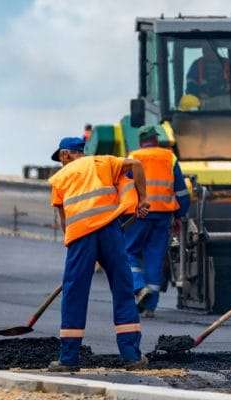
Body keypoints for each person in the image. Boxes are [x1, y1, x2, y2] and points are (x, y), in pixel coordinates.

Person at [46, 136, 151, 372]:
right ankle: (132, 356)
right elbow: (136, 165)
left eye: (60, 158)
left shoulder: (60, 178)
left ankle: (68, 359)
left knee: (74, 293)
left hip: (80, 236)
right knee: (123, 289)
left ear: (65, 154)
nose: (61, 162)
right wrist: (143, 198)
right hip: (110, 231)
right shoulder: (103, 162)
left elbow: (64, 221)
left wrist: (74, 251)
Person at [124, 125, 190, 318]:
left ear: (140, 141)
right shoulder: (170, 157)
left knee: (128, 252)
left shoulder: (133, 157)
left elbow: (124, 187)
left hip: (138, 214)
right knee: (155, 257)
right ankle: (150, 307)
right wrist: (180, 215)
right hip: (163, 216)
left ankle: (138, 287)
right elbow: (181, 191)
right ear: (156, 139)